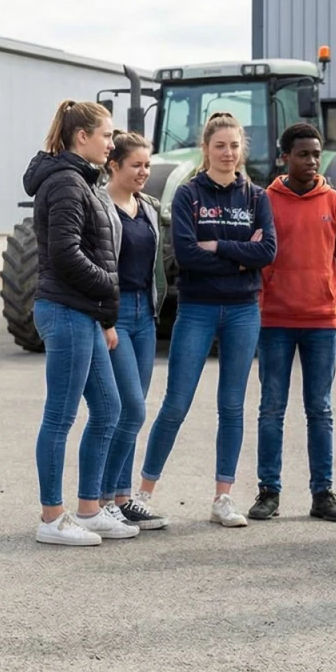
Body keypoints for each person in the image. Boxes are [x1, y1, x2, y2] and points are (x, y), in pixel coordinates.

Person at [136, 112, 276, 528]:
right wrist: (238, 255)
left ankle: (223, 499)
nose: (228, 153)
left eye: (234, 146)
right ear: (206, 149)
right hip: (196, 309)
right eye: (220, 146)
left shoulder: (256, 197)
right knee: (176, 403)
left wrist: (216, 245)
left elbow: (267, 252)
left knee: (232, 406)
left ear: (241, 150)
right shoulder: (188, 195)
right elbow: (185, 255)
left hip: (242, 311)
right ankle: (143, 493)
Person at [25, 100, 136, 546]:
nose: (112, 143)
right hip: (66, 309)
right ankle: (52, 517)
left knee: (108, 409)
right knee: (61, 415)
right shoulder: (68, 183)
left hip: (84, 311)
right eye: (107, 135)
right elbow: (66, 253)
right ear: (82, 137)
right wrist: (108, 283)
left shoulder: (82, 180)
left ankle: (89, 509)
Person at [250, 123, 336, 523]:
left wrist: (330, 296)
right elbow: (256, 254)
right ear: (284, 158)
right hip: (274, 321)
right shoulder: (265, 201)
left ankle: (323, 494)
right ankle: (268, 492)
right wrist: (265, 296)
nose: (311, 161)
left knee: (320, 410)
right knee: (271, 409)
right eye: (303, 154)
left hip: (321, 323)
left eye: (316, 154)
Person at [99, 131, 171, 530]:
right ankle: (105, 498)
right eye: (136, 165)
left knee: (134, 409)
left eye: (147, 165)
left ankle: (124, 498)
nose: (144, 172)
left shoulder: (149, 207)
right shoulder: (100, 206)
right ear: (114, 165)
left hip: (146, 315)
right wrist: (105, 318)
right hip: (116, 314)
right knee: (131, 408)